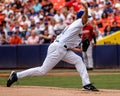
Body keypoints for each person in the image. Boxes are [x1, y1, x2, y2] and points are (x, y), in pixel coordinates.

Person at [6, 2, 99, 91]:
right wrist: (86, 8)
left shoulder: (74, 28)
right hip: (59, 48)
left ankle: (86, 84)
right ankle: (16, 76)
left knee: (78, 60)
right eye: (87, 17)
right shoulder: (79, 23)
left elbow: (66, 43)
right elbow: (83, 19)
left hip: (60, 47)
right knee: (42, 71)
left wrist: (78, 50)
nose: (88, 19)